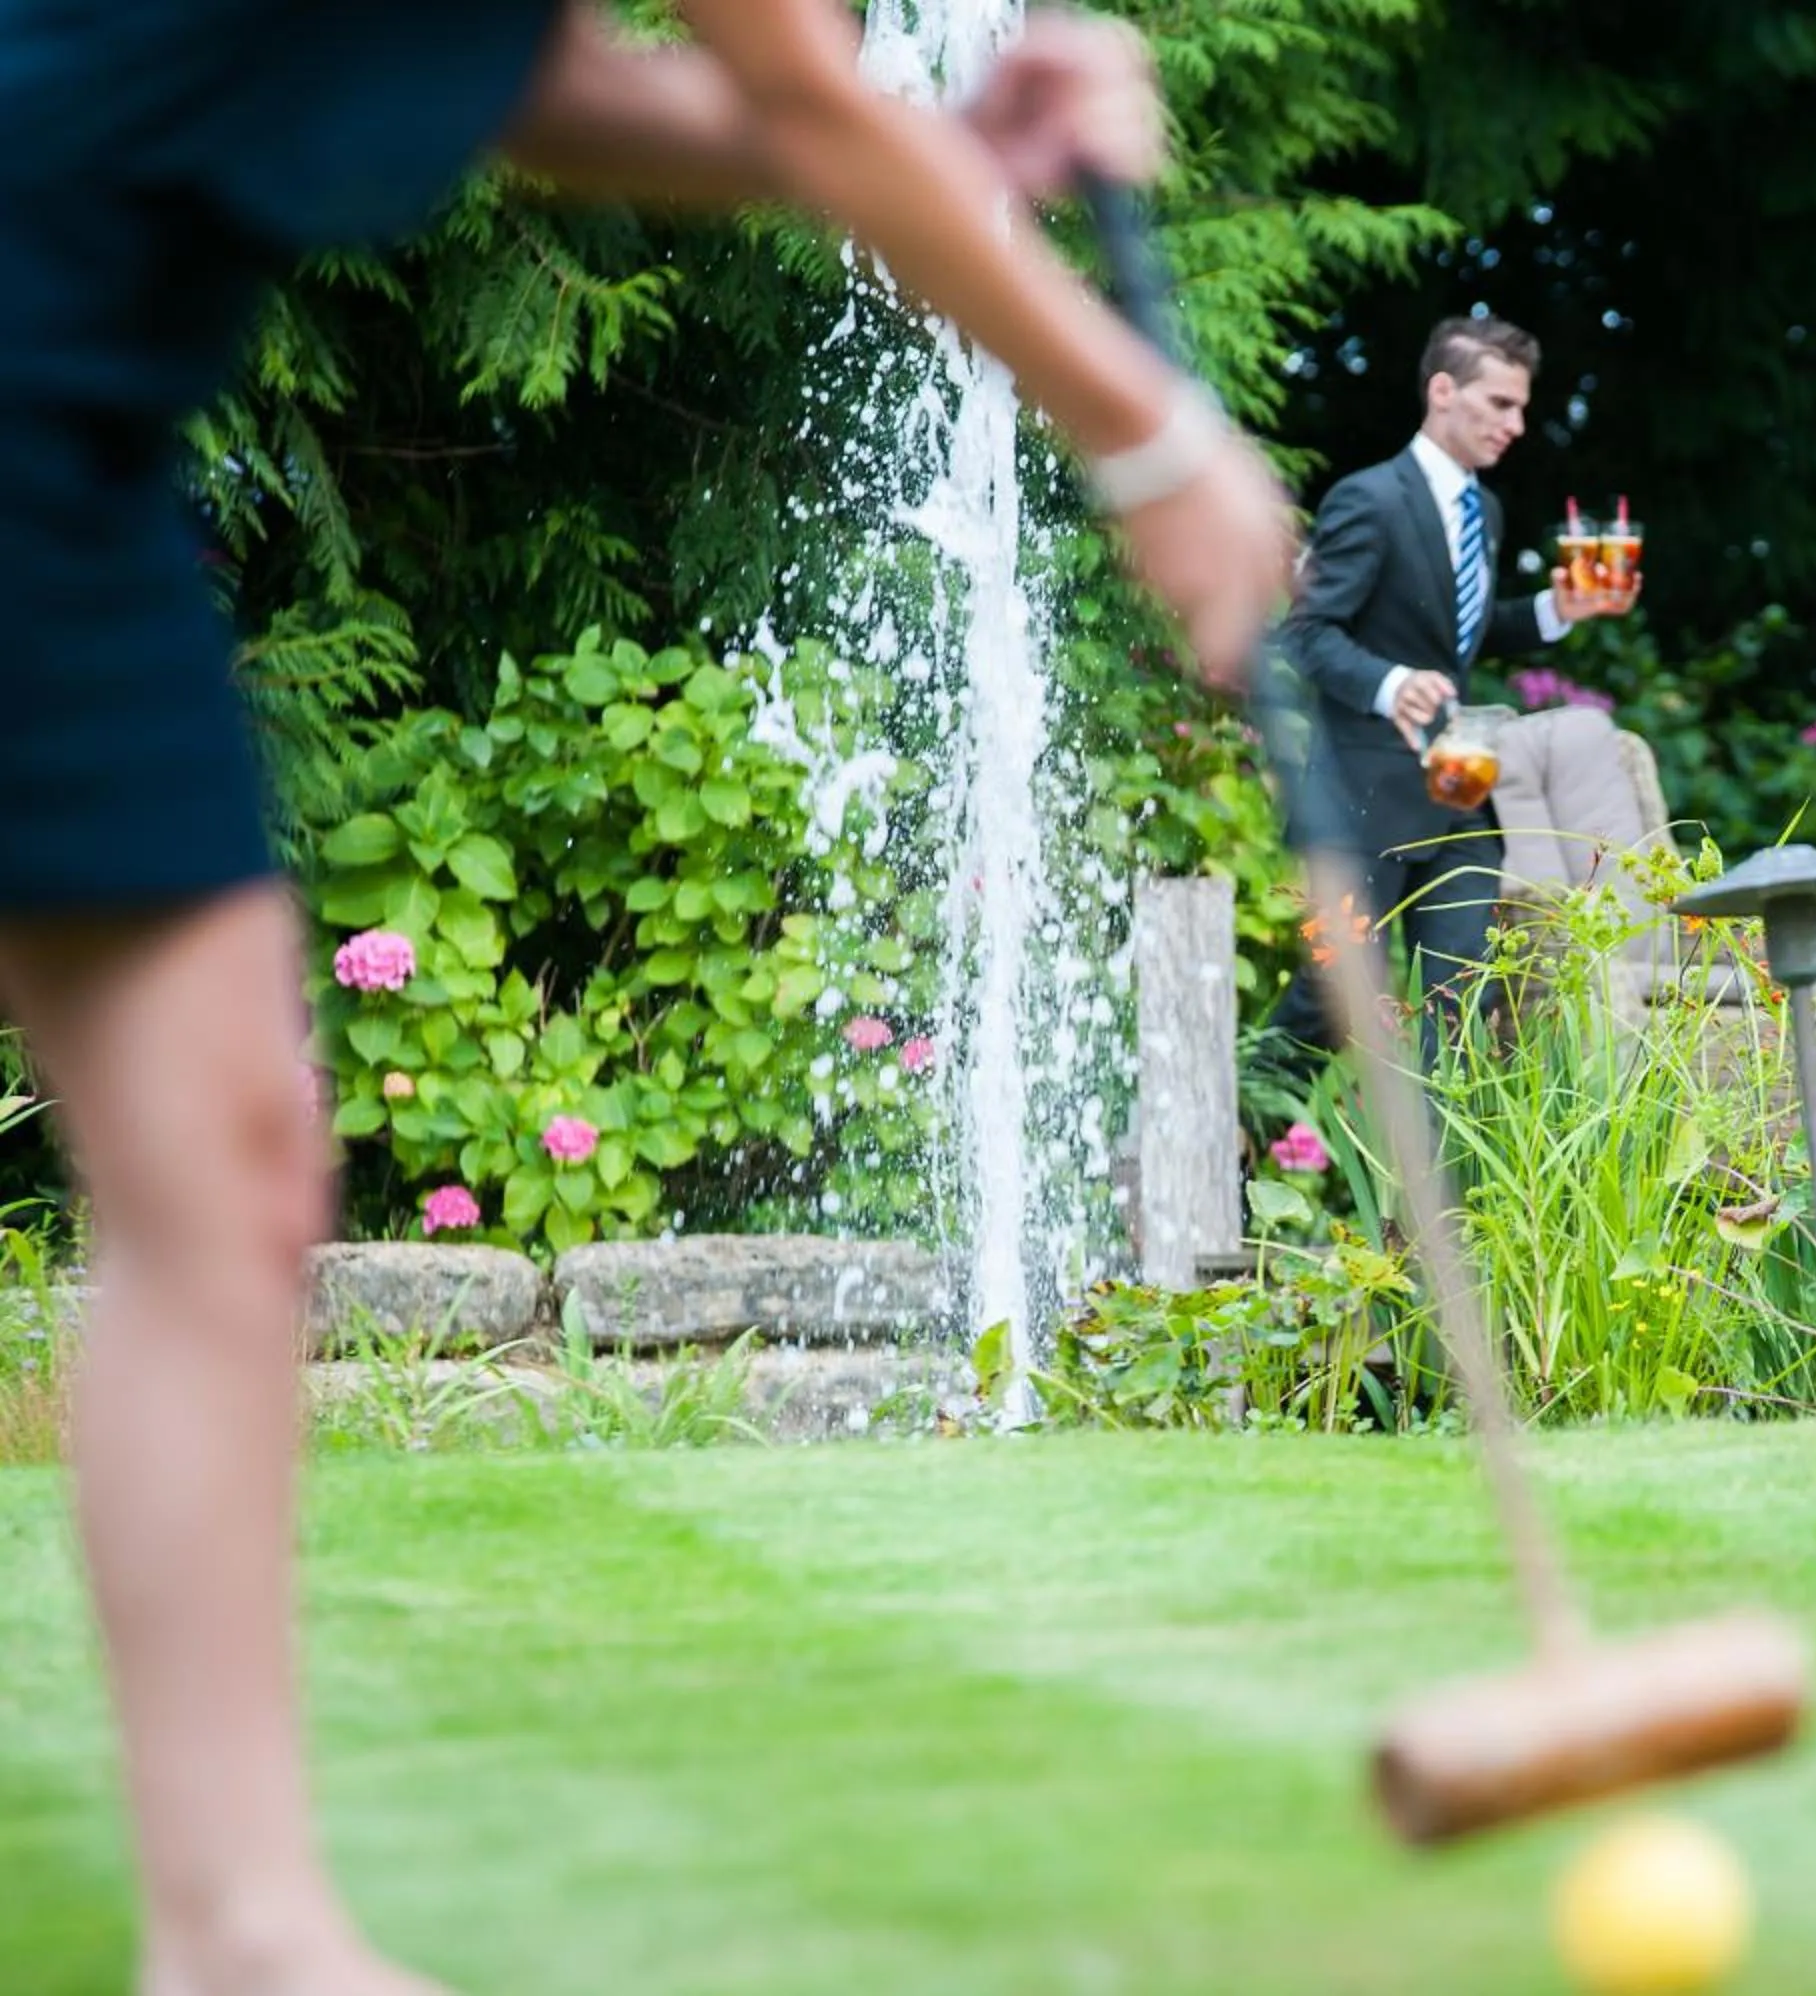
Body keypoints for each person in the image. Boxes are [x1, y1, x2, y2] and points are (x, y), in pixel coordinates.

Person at [0, 5, 1288, 1992]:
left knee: (234, 1151)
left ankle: (241, 1938)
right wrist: (1149, 435)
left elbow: (522, 90)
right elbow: (785, 87)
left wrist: (910, 130)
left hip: (68, 424)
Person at [1272, 315, 1638, 1069]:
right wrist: (1389, 683)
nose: (1517, 424)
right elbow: (1306, 633)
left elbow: (1456, 635)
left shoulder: (1486, 511)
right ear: (1444, 390)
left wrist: (1553, 611)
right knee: (1328, 1001)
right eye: (1500, 403)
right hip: (1363, 807)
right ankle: (1222, 1142)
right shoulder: (1368, 499)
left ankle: (1448, 1190)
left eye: (1521, 407)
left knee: (1462, 1010)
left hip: (1459, 797)